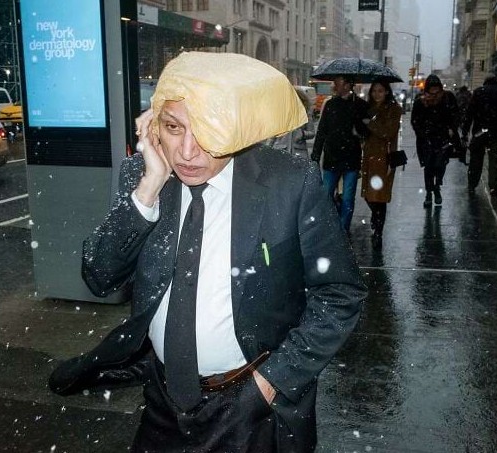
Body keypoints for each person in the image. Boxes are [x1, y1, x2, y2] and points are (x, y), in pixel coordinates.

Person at [48, 52, 366, 453]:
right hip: (162, 400)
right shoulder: (143, 174)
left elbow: (340, 293)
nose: (186, 151)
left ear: (234, 127)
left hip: (252, 406)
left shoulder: (288, 182)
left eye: (205, 131)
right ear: (154, 126)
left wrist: (269, 384)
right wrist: (148, 190)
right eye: (173, 127)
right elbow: (99, 276)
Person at [311, 75, 370, 235]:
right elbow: (322, 130)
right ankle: (329, 227)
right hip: (332, 156)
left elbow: (367, 130)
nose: (334, 85)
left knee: (348, 197)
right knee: (326, 195)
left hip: (351, 157)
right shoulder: (330, 104)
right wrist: (315, 154)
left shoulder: (360, 105)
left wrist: (358, 126)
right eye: (335, 82)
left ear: (347, 85)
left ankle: (343, 231)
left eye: (338, 82)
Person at [360, 77, 402, 250]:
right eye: (374, 91)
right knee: (368, 195)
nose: (377, 94)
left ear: (386, 92)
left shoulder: (393, 109)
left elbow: (388, 132)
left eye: (380, 91)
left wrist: (370, 123)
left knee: (379, 197)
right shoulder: (367, 108)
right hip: (369, 156)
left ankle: (378, 231)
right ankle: (375, 218)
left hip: (384, 157)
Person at [463, 74, 497, 196]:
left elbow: (469, 113)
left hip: (479, 131)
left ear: (485, 83)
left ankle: (472, 183)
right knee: (495, 160)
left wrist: (465, 131)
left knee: (476, 159)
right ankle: (494, 186)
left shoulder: (478, 93)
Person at [410, 74, 461, 207]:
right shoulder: (421, 101)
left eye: (436, 89)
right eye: (431, 89)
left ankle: (437, 186)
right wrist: (422, 134)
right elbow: (415, 121)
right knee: (428, 167)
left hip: (443, 138)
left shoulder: (447, 98)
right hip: (426, 140)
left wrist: (452, 128)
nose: (434, 92)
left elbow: (456, 114)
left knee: (440, 165)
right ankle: (429, 193)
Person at [269, 87, 315, 159]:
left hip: (298, 150)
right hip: (281, 149)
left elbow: (312, 132)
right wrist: (268, 149)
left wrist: (302, 134)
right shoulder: (281, 114)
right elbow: (273, 134)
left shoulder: (305, 114)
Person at [455, 86, 472, 163]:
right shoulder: (469, 95)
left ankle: (460, 153)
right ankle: (463, 154)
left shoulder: (458, 95)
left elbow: (456, 106)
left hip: (459, 117)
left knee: (459, 135)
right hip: (466, 118)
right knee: (464, 135)